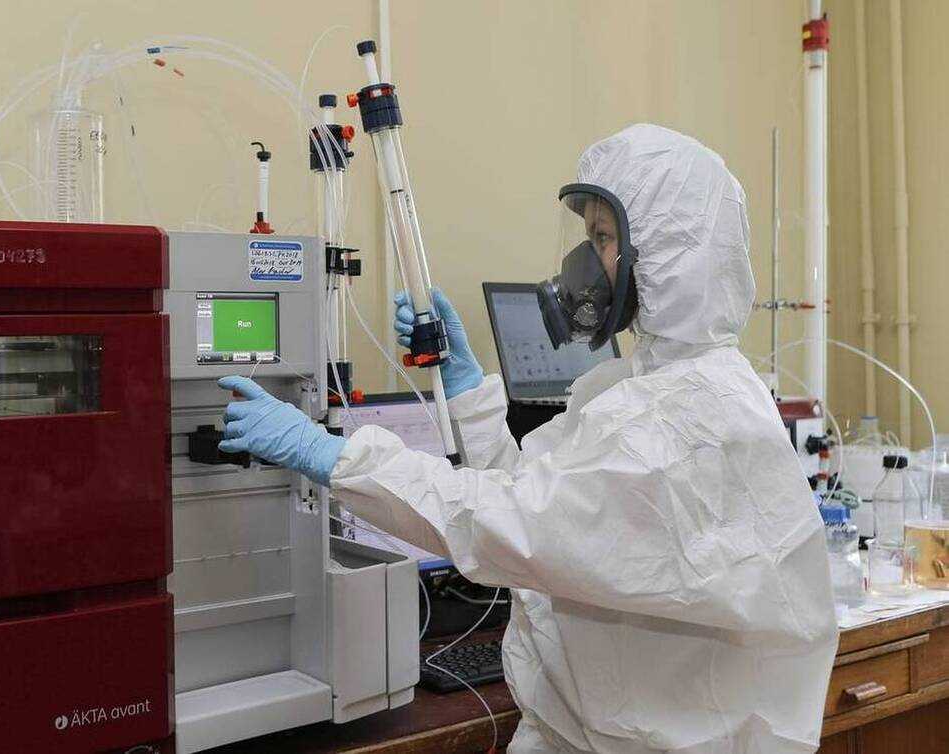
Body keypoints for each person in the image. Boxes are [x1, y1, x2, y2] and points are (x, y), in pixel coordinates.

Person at [217, 124, 839, 753]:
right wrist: (467, 390)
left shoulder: (689, 424)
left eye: (603, 238)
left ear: (669, 253)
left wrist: (334, 457)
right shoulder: (637, 389)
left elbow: (511, 524)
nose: (583, 262)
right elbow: (533, 496)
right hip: (584, 730)